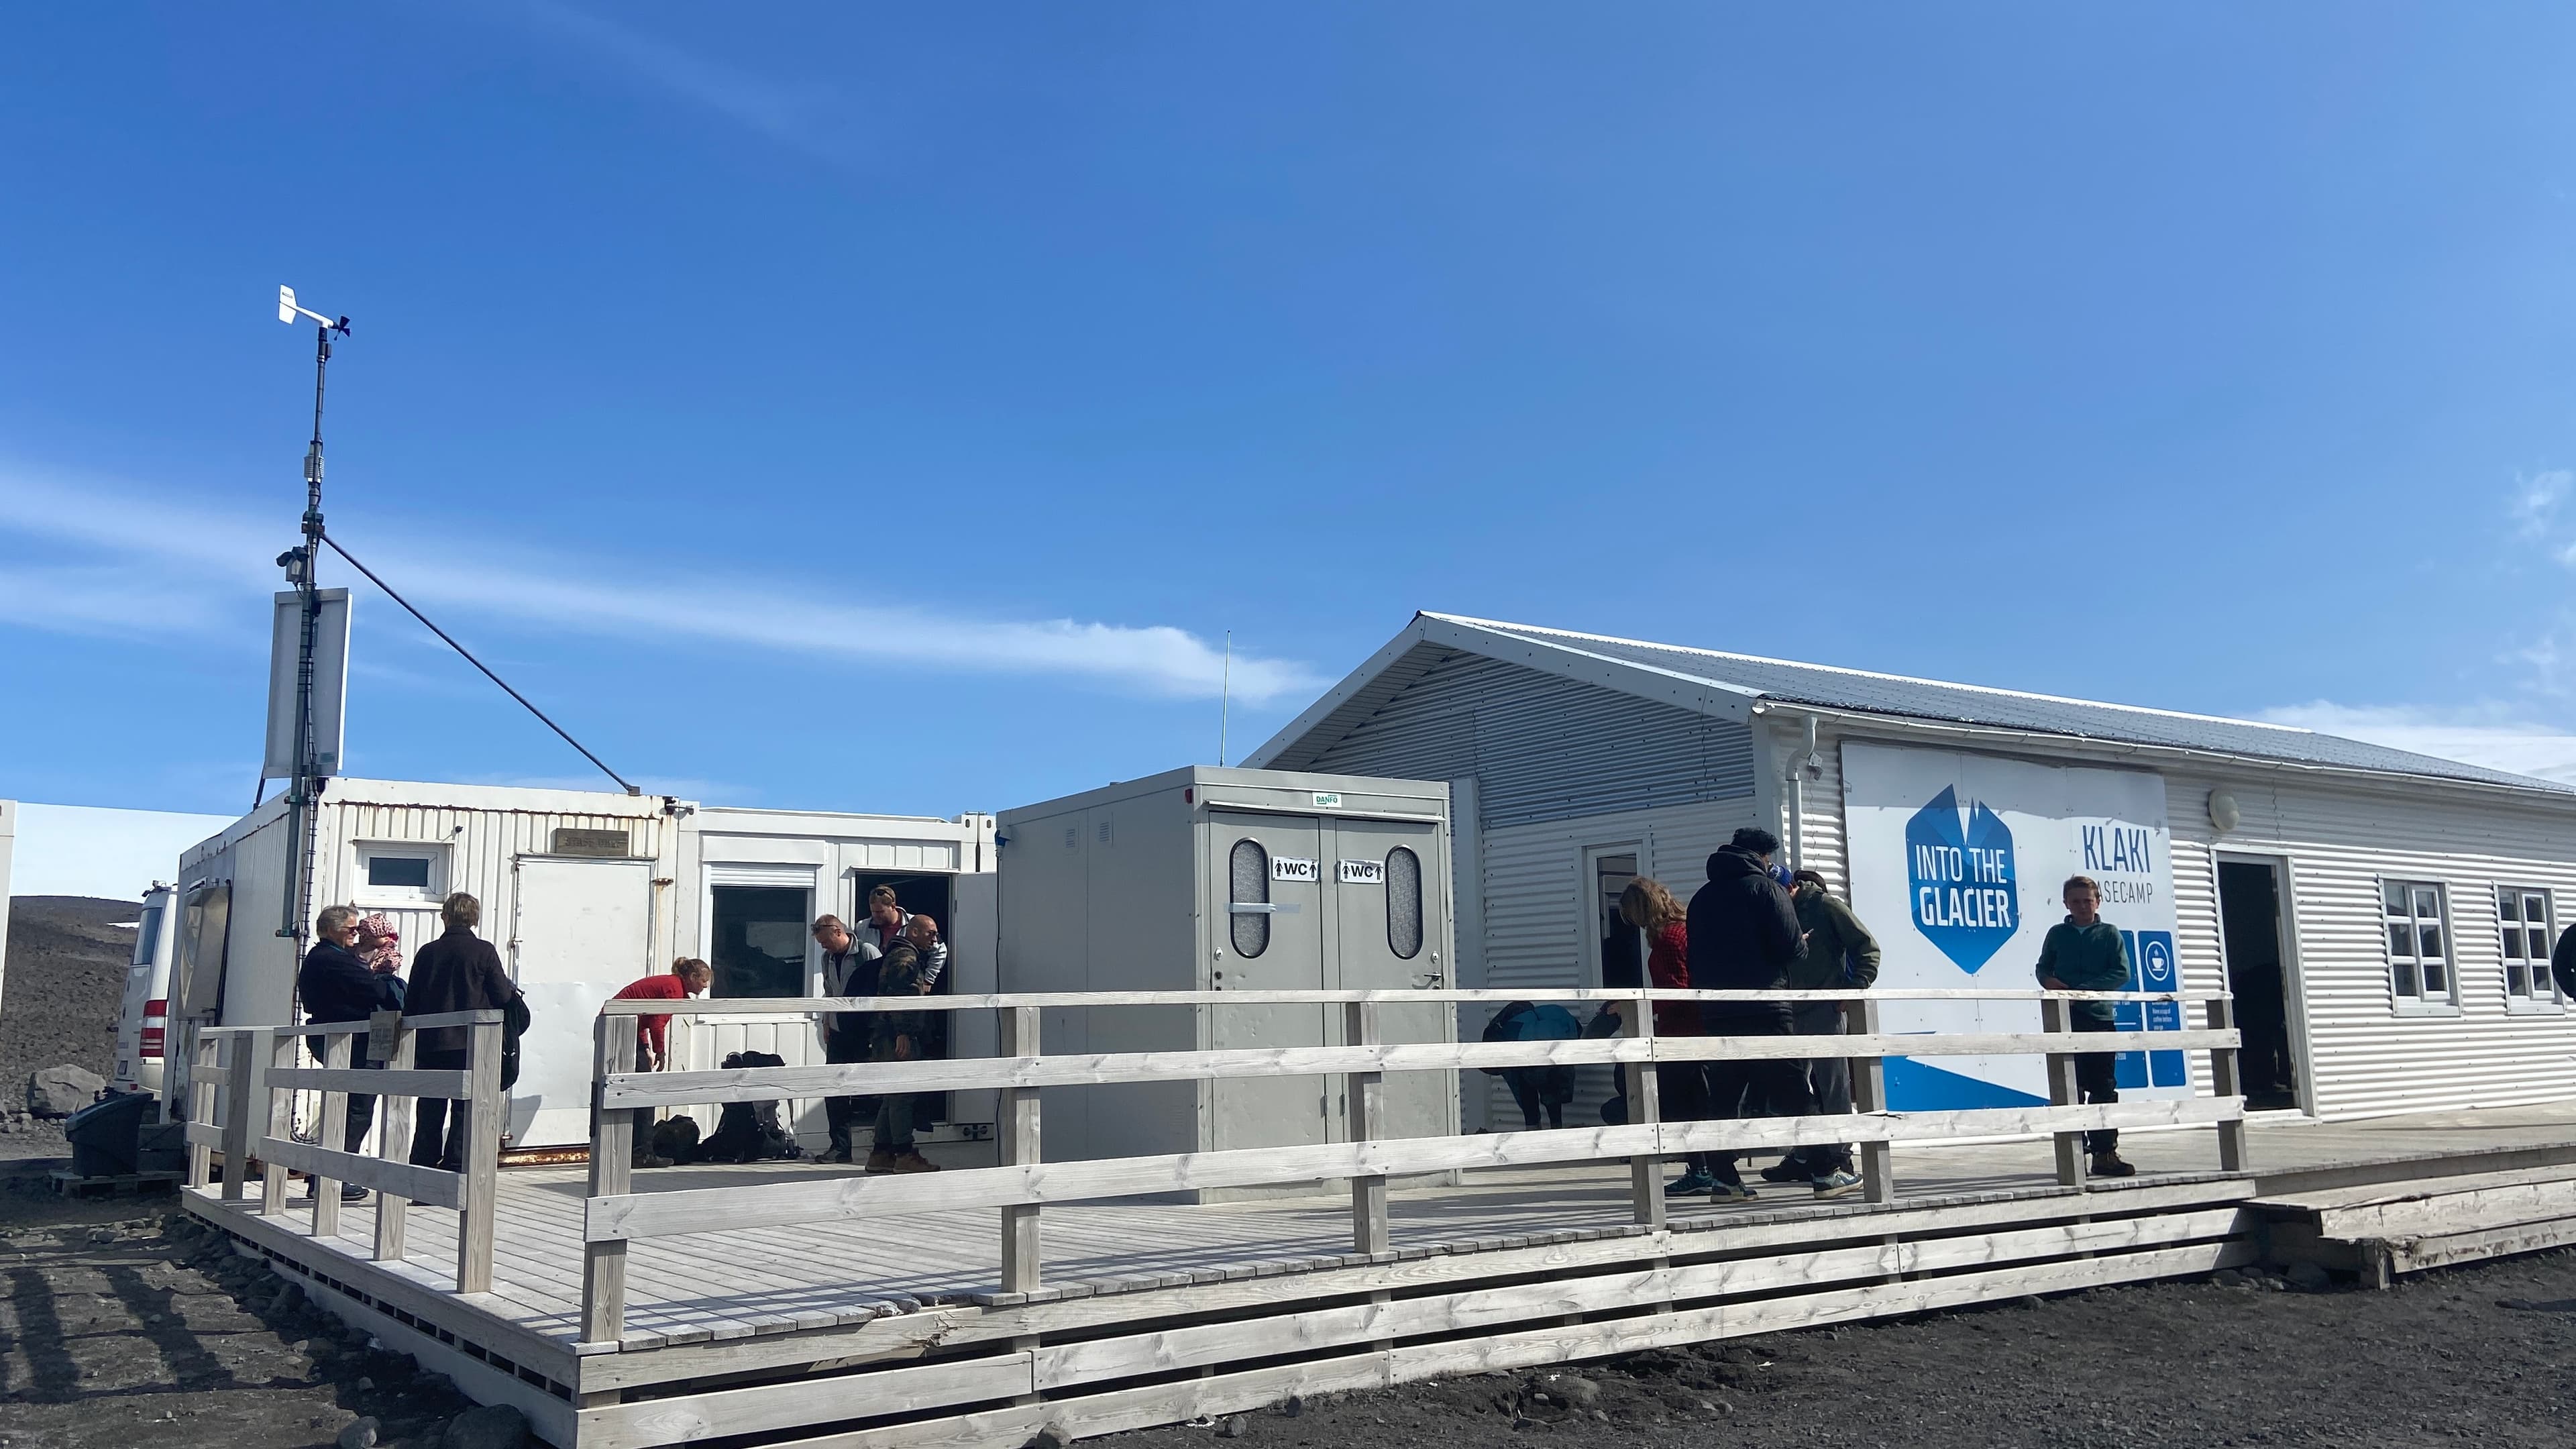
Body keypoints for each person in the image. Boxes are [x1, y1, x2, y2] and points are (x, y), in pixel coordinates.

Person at [1686, 826, 1861, 1202]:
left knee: (1723, 1097)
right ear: (1764, 857)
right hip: (1765, 1008)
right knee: (1796, 1091)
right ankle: (1826, 1171)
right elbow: (1790, 948)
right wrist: (1801, 942)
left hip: (1717, 1012)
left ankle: (1724, 1179)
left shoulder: (1701, 898)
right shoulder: (1765, 889)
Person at [1609, 878, 1727, 1197]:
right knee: (1695, 1102)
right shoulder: (1684, 930)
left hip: (1684, 1034)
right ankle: (1707, 1168)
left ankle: (1702, 1169)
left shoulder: (1671, 940)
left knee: (1687, 1104)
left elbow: (1679, 990)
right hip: (1692, 1031)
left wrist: (1635, 1007)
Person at [1768, 869, 1882, 1185]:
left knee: (1833, 1086)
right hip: (1786, 1010)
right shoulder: (1775, 912)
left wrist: (1855, 986)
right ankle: (1805, 1155)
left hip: (1823, 1009)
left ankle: (1840, 1159)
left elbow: (1868, 947)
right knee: (1792, 1088)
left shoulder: (1826, 906)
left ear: (1790, 888)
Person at [405, 892, 517, 1175]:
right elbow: (502, 996)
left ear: (445, 917)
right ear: (474, 919)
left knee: (429, 1109)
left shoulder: (427, 952)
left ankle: (422, 1166)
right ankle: (456, 1165)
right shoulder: (484, 951)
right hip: (471, 1044)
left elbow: (412, 1001)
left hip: (431, 1044)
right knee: (464, 1108)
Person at [297, 904, 401, 1202]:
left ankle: (324, 1177)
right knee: (357, 1110)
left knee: (344, 1109)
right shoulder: (333, 959)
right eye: (351, 930)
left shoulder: (324, 957)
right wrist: (385, 978)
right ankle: (336, 1179)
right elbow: (374, 990)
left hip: (340, 1042)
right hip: (351, 1044)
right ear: (331, 930)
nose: (356, 935)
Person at [2037, 873, 2137, 1178]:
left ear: (2098, 902)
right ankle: (2074, 1154)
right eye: (2076, 901)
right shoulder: (2057, 934)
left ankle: (2105, 1153)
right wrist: (2049, 982)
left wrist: (2085, 990)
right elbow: (2043, 967)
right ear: (2066, 903)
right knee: (2071, 1087)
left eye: (2088, 901)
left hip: (2099, 1017)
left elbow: (2121, 972)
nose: (2082, 906)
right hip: (2066, 1018)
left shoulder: (2109, 933)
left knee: (2104, 1087)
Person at [866, 917, 941, 1174]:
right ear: (915, 932)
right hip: (895, 1035)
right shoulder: (905, 958)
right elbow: (901, 997)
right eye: (930, 934)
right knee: (902, 1095)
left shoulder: (901, 953)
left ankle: (881, 1153)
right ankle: (904, 1154)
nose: (934, 939)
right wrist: (904, 1033)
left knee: (892, 1096)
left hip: (885, 1033)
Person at [813, 914, 881, 1164]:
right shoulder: (827, 958)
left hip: (865, 1031)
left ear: (837, 931)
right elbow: (830, 991)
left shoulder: (866, 952)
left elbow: (880, 987)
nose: (823, 946)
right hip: (839, 1029)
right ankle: (840, 1148)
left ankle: (882, 1148)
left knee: (872, 1090)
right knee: (834, 1088)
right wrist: (826, 1020)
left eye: (825, 941)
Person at [612, 959, 711, 1072]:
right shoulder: (675, 989)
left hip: (623, 1025)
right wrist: (660, 1052)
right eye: (704, 981)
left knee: (638, 1073)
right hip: (618, 1026)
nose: (706, 986)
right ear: (693, 977)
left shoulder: (674, 985)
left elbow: (643, 1019)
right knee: (641, 1078)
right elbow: (657, 1024)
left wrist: (646, 1048)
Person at [862, 885, 951, 987]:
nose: (876, 916)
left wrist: (928, 980)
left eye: (880, 912)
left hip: (907, 984)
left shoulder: (918, 923)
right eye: (873, 912)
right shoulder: (863, 927)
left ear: (893, 906)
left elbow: (940, 951)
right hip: (872, 984)